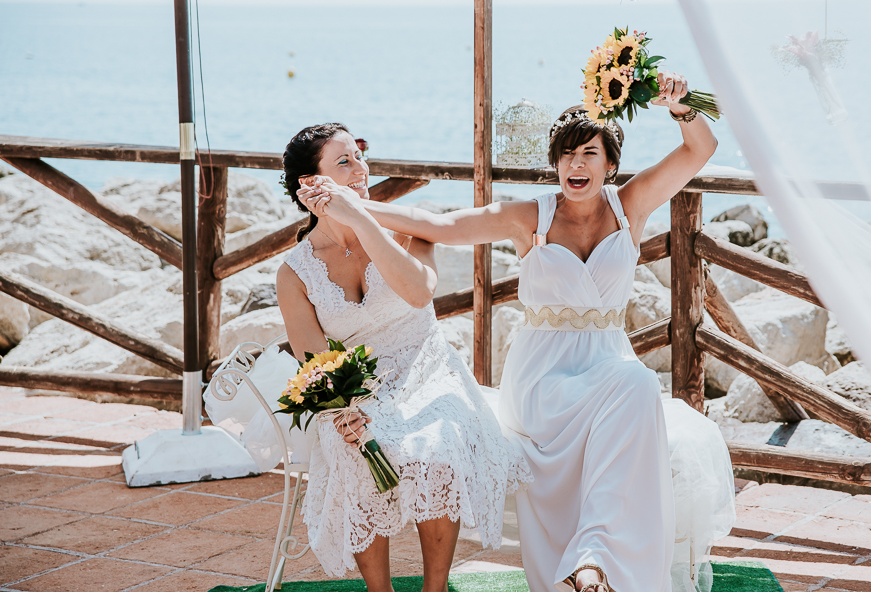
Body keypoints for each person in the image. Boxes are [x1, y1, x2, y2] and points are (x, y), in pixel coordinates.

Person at [300, 72, 736, 592]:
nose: (576, 164)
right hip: (544, 378)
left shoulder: (631, 205)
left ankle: (594, 561)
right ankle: (592, 560)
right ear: (555, 165)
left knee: (636, 385)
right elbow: (436, 226)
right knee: (636, 385)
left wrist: (680, 105)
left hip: (608, 366)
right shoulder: (527, 216)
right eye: (567, 156)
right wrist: (351, 206)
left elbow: (701, 148)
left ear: (610, 165)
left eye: (589, 154)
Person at [266, 123, 529, 592]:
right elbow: (315, 361)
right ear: (311, 185)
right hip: (356, 388)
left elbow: (417, 291)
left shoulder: (406, 229)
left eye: (361, 157)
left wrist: (363, 219)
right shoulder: (295, 272)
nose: (360, 170)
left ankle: (435, 588)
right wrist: (342, 413)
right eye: (343, 162)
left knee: (439, 449)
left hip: (427, 368)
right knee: (353, 456)